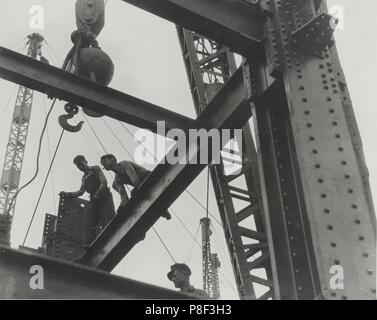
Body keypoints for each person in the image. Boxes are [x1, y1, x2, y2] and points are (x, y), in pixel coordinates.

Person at [100, 154, 171, 220]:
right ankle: (161, 209)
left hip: (149, 178)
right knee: (137, 196)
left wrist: (136, 189)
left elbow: (134, 178)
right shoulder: (117, 180)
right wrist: (122, 207)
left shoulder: (124, 164)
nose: (103, 164)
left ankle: (162, 209)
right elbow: (123, 196)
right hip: (141, 186)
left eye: (104, 161)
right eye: (102, 163)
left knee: (136, 193)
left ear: (112, 159)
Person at [60, 155, 116, 237]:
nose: (80, 167)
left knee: (107, 218)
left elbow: (104, 182)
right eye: (78, 166)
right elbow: (80, 192)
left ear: (86, 161)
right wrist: (68, 194)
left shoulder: (95, 169)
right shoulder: (84, 178)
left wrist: (98, 193)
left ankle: (112, 235)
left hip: (104, 196)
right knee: (88, 221)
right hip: (94, 199)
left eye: (81, 164)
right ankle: (89, 244)